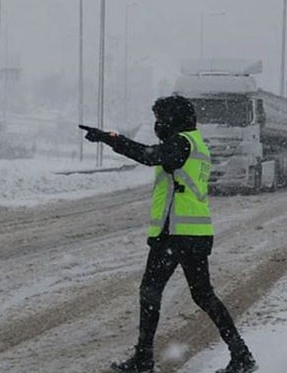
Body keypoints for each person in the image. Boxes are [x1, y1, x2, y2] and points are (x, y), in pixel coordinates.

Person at [79, 95, 257, 373]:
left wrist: (110, 138)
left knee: (150, 292)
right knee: (203, 295)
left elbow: (149, 156)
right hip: (194, 233)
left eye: (161, 119)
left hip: (176, 235)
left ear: (173, 120)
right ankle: (241, 354)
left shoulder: (182, 143)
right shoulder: (196, 143)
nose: (158, 125)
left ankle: (143, 359)